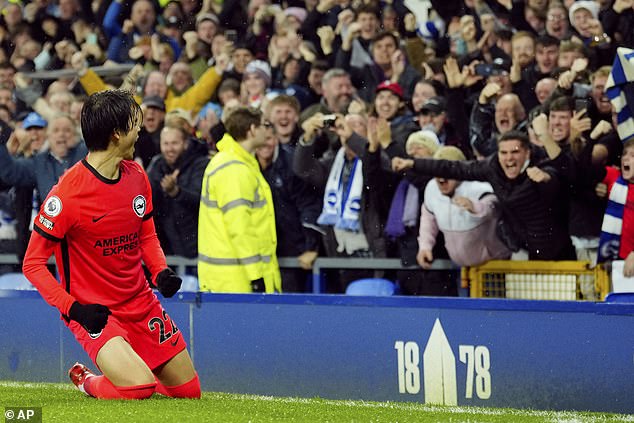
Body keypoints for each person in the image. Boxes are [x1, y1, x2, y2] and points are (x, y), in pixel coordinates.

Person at [22, 89, 200, 400]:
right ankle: (88, 381)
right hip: (96, 312)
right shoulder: (67, 195)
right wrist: (73, 309)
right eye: (134, 123)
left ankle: (130, 368)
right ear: (117, 134)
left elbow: (146, 234)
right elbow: (33, 265)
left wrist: (160, 272)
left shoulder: (137, 175)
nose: (140, 128)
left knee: (188, 392)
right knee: (139, 389)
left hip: (141, 302)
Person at [392, 130, 576, 261]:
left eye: (515, 152)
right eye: (504, 152)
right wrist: (412, 164)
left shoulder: (542, 168)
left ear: (527, 153)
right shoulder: (492, 168)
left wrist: (546, 179)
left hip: (557, 255)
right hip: (522, 252)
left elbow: (557, 181)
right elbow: (452, 167)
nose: (509, 158)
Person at [198, 107, 282, 293]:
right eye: (264, 125)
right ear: (252, 129)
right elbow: (240, 227)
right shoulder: (234, 169)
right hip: (237, 282)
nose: (267, 131)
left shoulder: (237, 163)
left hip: (231, 279)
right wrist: (255, 275)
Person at [146, 122, 209, 259]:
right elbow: (149, 200)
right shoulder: (157, 164)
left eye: (175, 143)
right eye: (166, 144)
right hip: (168, 251)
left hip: (198, 250)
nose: (170, 149)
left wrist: (176, 192)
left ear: (185, 144)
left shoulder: (200, 164)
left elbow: (202, 201)